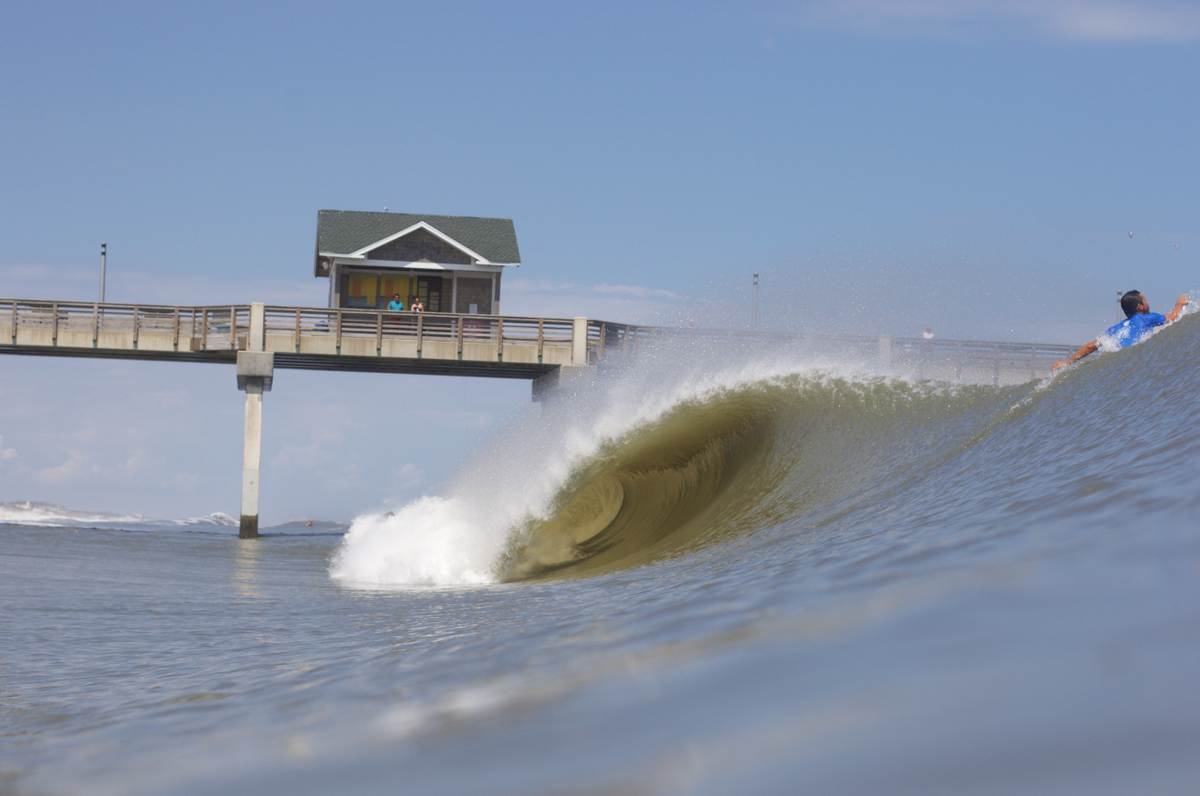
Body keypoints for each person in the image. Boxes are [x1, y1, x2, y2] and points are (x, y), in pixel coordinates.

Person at [1052, 290, 1188, 372]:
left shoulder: (1114, 329)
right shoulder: (1146, 318)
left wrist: (1066, 363)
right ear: (1140, 306)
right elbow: (1173, 316)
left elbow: (1089, 347)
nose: (1148, 303)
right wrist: (1179, 304)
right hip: (1134, 362)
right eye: (1145, 300)